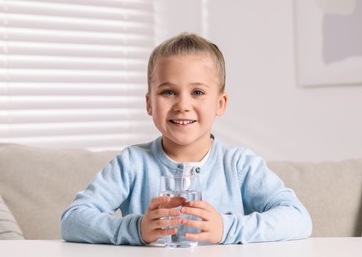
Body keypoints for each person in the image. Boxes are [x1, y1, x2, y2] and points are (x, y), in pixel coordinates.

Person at [60, 32, 312, 245]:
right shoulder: (132, 164)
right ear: (149, 103)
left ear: (220, 103)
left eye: (197, 92)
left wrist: (226, 228)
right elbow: (72, 220)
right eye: (168, 91)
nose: (183, 104)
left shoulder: (239, 165)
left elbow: (298, 218)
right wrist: (136, 229)